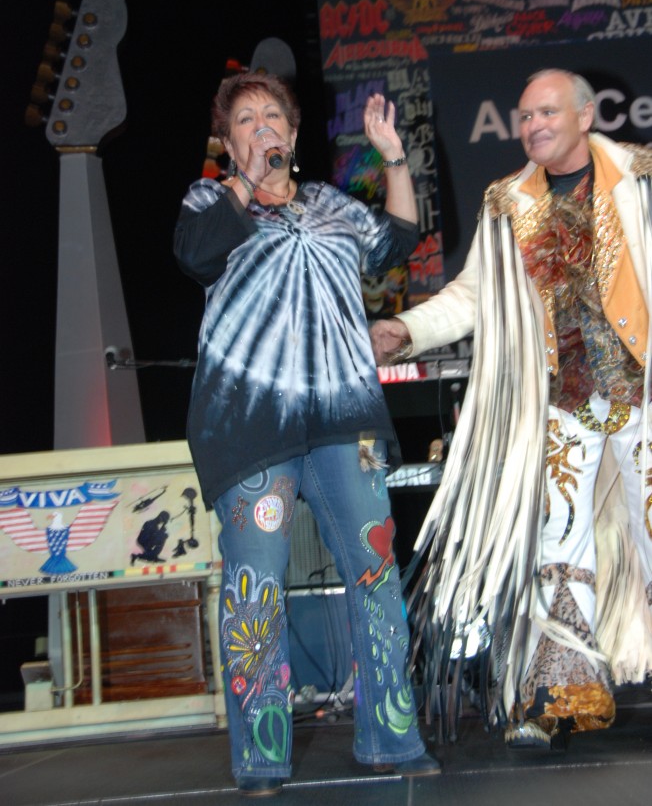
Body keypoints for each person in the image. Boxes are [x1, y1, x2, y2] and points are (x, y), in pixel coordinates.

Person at [173, 71, 441, 796]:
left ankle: (390, 737)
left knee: (375, 575)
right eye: (246, 119)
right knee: (256, 587)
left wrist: (391, 156)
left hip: (344, 419)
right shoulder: (210, 201)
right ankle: (262, 756)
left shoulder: (330, 204)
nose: (262, 125)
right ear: (227, 141)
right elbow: (195, 254)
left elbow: (399, 239)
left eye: (273, 116)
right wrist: (246, 179)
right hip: (251, 425)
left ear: (293, 134)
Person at [371, 68, 652, 750]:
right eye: (525, 116)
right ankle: (561, 692)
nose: (533, 126)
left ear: (585, 115)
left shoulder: (639, 180)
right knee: (557, 541)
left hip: (642, 391)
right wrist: (405, 329)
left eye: (547, 113)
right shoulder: (507, 203)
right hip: (562, 400)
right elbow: (472, 296)